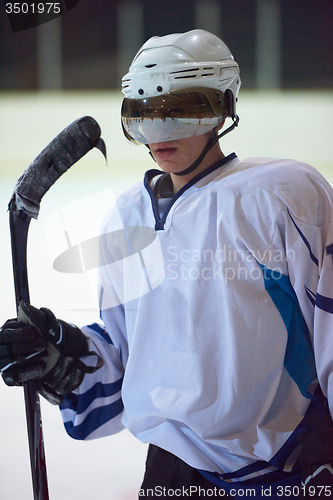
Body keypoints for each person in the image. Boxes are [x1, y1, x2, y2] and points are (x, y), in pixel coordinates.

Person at [1, 29, 333, 499]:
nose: (159, 135)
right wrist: (64, 358)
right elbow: (125, 368)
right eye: (142, 117)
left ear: (222, 109)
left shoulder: (282, 197)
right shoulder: (128, 215)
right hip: (173, 476)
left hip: (291, 473)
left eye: (179, 112)